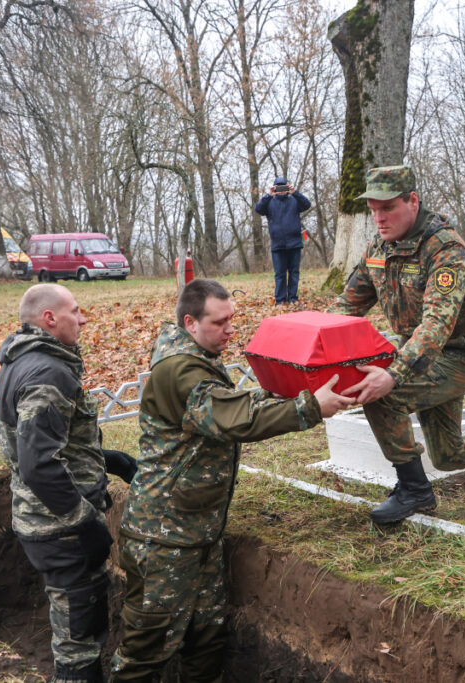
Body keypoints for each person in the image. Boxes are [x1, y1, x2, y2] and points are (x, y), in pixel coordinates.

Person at [111, 279, 351, 680]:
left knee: (206, 643)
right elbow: (235, 418)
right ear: (190, 322)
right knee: (145, 654)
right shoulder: (180, 370)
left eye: (232, 320)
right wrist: (309, 408)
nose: (230, 330)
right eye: (220, 322)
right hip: (164, 541)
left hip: (196, 534)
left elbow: (239, 401)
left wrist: (290, 393)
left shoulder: (197, 356)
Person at [327, 165, 465, 526]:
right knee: (448, 454)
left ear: (412, 201)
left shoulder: (444, 249)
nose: (379, 218)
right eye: (373, 209)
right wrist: (311, 342)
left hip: (460, 355)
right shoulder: (379, 249)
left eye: (388, 208)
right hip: (420, 355)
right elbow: (346, 306)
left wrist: (393, 375)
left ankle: (414, 490)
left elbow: (437, 324)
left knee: (383, 394)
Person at [0, 284, 135, 683]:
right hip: (59, 528)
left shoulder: (23, 361)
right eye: (76, 310)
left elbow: (34, 444)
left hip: (43, 521)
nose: (84, 317)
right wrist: (83, 523)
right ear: (49, 319)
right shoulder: (48, 373)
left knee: (76, 621)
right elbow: (38, 464)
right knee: (79, 634)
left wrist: (109, 461)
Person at [254, 176, 311, 305]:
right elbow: (258, 209)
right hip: (278, 245)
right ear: (274, 188)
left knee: (294, 273)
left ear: (287, 187)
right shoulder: (269, 202)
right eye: (278, 187)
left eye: (283, 187)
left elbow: (307, 204)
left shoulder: (294, 200)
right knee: (279, 274)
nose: (281, 190)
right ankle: (280, 300)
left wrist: (295, 193)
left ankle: (292, 298)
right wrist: (268, 195)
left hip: (295, 243)